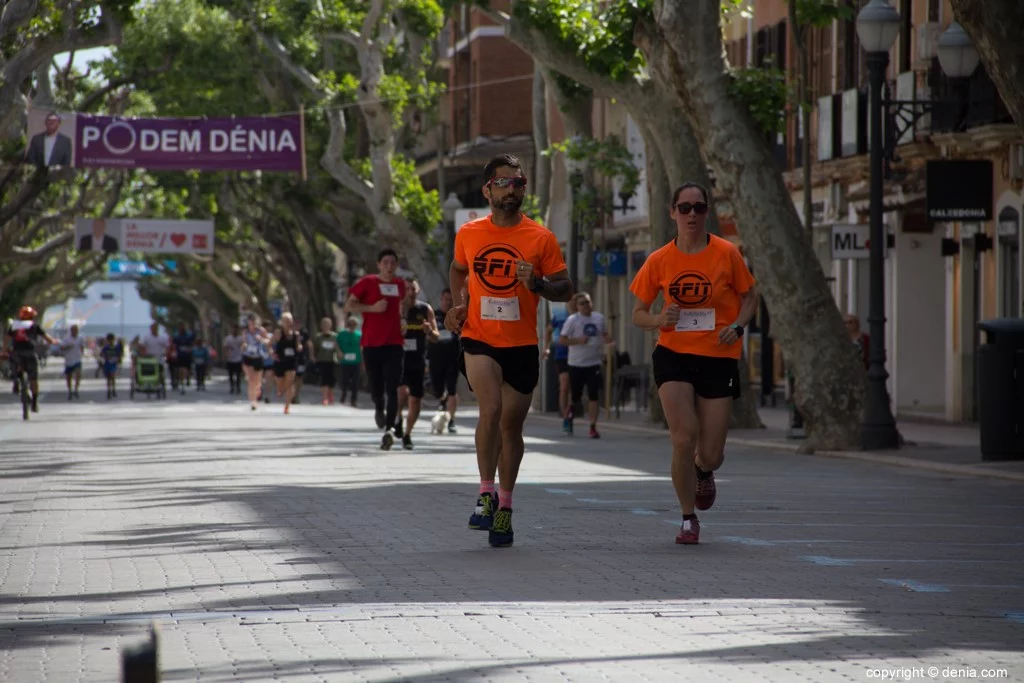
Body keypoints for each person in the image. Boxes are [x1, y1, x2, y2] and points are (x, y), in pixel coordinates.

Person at [445, 153, 574, 548]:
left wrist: (536, 283)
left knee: (511, 427)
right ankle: (485, 494)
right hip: (480, 337)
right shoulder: (469, 233)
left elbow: (565, 289)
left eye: (518, 183)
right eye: (504, 183)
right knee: (492, 409)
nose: (512, 190)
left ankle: (505, 506)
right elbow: (457, 268)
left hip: (521, 344)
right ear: (487, 189)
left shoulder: (541, 238)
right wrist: (457, 303)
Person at [629, 181, 758, 546]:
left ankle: (703, 471)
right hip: (674, 355)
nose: (691, 215)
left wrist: (737, 325)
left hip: (719, 356)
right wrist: (659, 319)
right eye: (683, 208)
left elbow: (750, 297)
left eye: (698, 208)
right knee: (683, 437)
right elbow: (637, 314)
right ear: (672, 213)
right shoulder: (658, 260)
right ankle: (688, 518)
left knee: (712, 453)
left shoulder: (726, 253)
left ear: (706, 212)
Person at [344, 248, 408, 450]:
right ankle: (379, 407)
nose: (389, 266)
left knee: (393, 386)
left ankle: (389, 429)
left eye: (393, 263)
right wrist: (372, 308)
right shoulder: (368, 282)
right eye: (385, 262)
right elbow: (349, 306)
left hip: (394, 343)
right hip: (371, 343)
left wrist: (403, 320)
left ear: (396, 266)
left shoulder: (399, 284)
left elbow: (400, 306)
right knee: (376, 387)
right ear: (379, 265)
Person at [560, 292, 613, 439]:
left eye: (588, 302)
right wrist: (578, 341)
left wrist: (609, 341)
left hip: (594, 363)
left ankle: (592, 427)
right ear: (577, 306)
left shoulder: (599, 318)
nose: (586, 306)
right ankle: (568, 417)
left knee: (593, 395)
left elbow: (604, 334)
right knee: (575, 397)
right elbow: (562, 340)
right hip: (576, 363)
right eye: (582, 303)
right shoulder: (572, 320)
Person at [395, 278, 440, 450]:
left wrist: (429, 331)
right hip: (399, 358)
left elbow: (436, 337)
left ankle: (407, 434)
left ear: (417, 290)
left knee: (415, 401)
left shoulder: (425, 309)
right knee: (402, 392)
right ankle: (398, 418)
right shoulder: (397, 309)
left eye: (412, 289)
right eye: (406, 289)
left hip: (418, 360)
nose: (409, 292)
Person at [5, 306, 57, 412]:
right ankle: (34, 402)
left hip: (17, 353)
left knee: (15, 364)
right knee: (33, 378)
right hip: (30, 353)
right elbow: (47, 338)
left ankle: (17, 379)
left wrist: (4, 350)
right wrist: (54, 341)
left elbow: (7, 339)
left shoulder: (14, 325)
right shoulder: (34, 325)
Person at [427, 288, 461, 434]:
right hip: (436, 358)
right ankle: (442, 400)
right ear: (441, 299)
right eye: (446, 299)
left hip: (453, 359)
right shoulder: (433, 315)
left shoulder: (457, 317)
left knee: (452, 390)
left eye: (450, 300)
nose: (448, 302)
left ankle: (452, 420)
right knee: (437, 390)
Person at [544, 298, 576, 433]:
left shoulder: (584, 317)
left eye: (575, 302)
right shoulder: (560, 316)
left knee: (574, 389)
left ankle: (570, 413)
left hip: (579, 356)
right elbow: (549, 330)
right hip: (562, 355)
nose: (572, 304)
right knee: (564, 386)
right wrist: (547, 348)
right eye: (570, 302)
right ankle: (565, 417)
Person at [272, 313, 303, 414]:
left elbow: (299, 346)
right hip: (280, 361)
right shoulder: (278, 333)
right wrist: (271, 353)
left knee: (290, 382)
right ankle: (280, 389)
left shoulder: (296, 334)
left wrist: (299, 347)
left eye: (289, 320)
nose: (288, 323)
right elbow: (269, 344)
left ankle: (287, 406)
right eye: (286, 320)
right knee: (281, 385)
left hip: (291, 361)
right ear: (282, 322)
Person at [241, 315, 269, 410]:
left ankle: (258, 389)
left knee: (257, 381)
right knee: (251, 380)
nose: (253, 325)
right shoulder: (245, 332)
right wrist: (244, 345)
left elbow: (268, 341)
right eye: (251, 323)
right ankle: (253, 402)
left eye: (254, 323)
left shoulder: (261, 331)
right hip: (248, 356)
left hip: (258, 357)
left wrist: (261, 339)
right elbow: (244, 342)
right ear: (248, 323)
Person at [336, 315, 361, 407]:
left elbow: (362, 347)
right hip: (345, 361)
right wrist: (339, 352)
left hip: (356, 361)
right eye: (351, 324)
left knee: (355, 382)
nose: (352, 326)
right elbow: (336, 343)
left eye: (354, 324)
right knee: (344, 380)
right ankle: (344, 394)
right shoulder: (342, 334)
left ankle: (353, 400)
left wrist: (363, 360)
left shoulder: (359, 335)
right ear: (348, 324)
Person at [314, 317, 338, 406]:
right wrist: (314, 357)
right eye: (324, 324)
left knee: (331, 379)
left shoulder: (335, 336)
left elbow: (337, 347)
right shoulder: (318, 337)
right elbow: (315, 348)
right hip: (322, 360)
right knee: (324, 379)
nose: (326, 326)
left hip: (332, 360)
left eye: (327, 324)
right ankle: (325, 398)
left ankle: (330, 393)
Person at [61, 324, 85, 400]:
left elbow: (82, 347)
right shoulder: (66, 339)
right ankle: (70, 391)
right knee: (69, 377)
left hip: (77, 360)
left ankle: (76, 389)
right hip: (69, 360)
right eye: (74, 330)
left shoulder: (80, 338)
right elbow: (62, 348)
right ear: (71, 331)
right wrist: (68, 347)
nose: (75, 332)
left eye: (76, 330)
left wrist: (82, 354)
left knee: (78, 374)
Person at [172, 322, 195, 394]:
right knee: (181, 369)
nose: (181, 328)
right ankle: (182, 383)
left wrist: (190, 349)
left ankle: (187, 378)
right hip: (180, 356)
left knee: (187, 369)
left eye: (182, 327)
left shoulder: (188, 335)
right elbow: (173, 343)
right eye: (180, 327)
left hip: (187, 355)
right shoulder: (177, 336)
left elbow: (192, 342)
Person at [292, 318, 310, 404]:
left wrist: (311, 355)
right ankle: (291, 394)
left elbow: (308, 344)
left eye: (298, 323)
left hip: (301, 357)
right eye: (295, 323)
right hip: (290, 357)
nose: (296, 325)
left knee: (299, 376)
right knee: (291, 376)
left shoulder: (304, 332)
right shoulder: (288, 332)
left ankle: (296, 395)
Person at [223, 325, 244, 395]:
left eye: (235, 329)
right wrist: (226, 354)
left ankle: (238, 387)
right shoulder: (228, 338)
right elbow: (225, 347)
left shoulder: (241, 338)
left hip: (238, 359)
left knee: (238, 374)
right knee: (231, 375)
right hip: (230, 359)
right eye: (233, 329)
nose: (234, 331)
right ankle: (232, 387)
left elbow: (244, 346)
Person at [100, 333, 121, 399]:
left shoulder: (116, 347)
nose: (111, 341)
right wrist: (105, 358)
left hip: (113, 364)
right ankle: (109, 390)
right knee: (108, 378)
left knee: (113, 376)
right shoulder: (106, 347)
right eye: (109, 340)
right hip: (107, 364)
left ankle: (113, 389)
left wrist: (119, 360)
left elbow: (119, 355)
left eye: (112, 340)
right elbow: (101, 354)